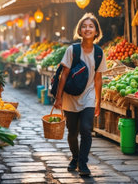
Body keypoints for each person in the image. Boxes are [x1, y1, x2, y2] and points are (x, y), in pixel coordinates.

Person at [54, 13, 107, 177]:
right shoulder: (73, 50)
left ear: (96, 31)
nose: (87, 29)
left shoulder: (99, 53)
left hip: (89, 96)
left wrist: (98, 101)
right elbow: (64, 74)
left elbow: (98, 79)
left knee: (86, 129)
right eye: (84, 26)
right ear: (80, 30)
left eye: (91, 26)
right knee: (72, 132)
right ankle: (75, 157)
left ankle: (83, 163)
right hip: (71, 97)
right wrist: (58, 97)